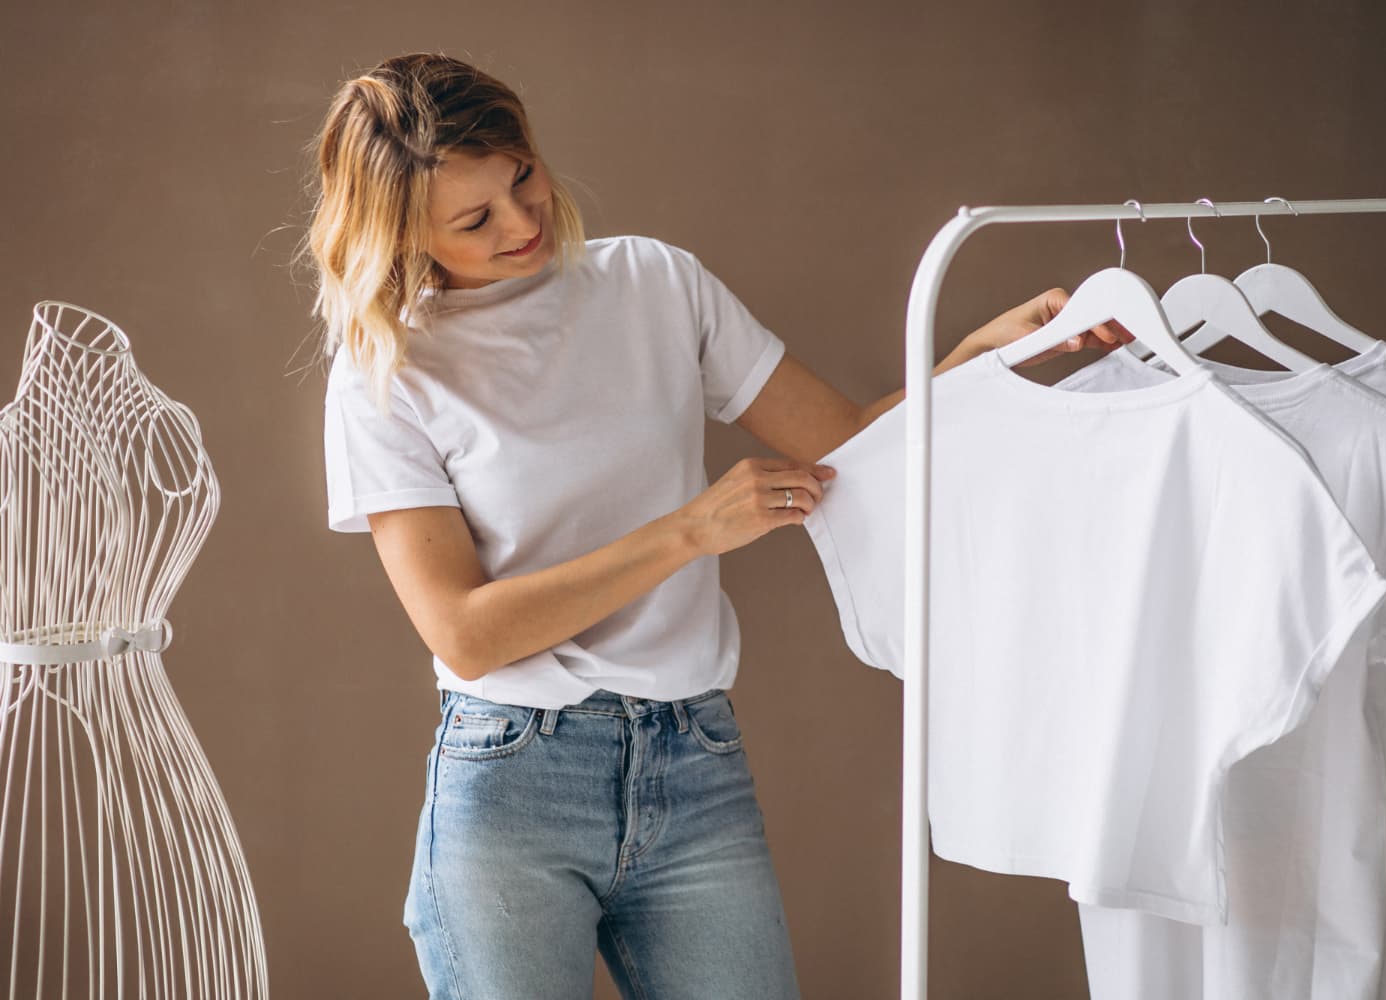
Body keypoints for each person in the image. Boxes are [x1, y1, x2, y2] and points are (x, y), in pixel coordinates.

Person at [301, 51, 1125, 1000]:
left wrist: (990, 356)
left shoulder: (654, 281)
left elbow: (851, 442)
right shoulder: (386, 373)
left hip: (695, 763)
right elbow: (465, 632)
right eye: (475, 219)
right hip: (514, 782)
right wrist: (690, 532)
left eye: (523, 176)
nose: (524, 222)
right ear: (399, 229)